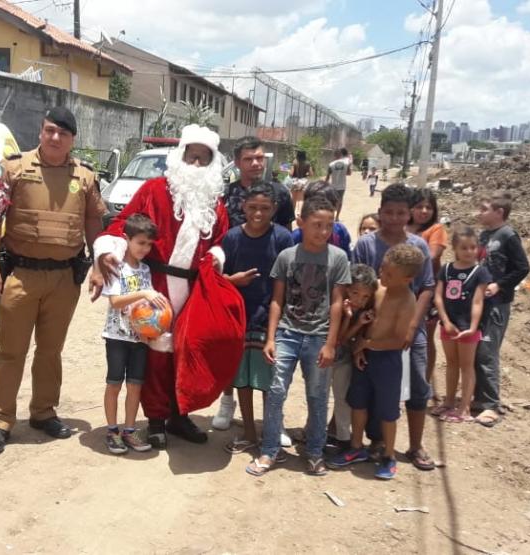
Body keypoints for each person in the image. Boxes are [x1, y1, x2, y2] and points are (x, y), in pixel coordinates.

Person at [95, 124, 230, 449]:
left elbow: (223, 239)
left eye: (203, 159)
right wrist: (104, 254)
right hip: (155, 284)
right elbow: (119, 224)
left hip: (195, 290)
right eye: (191, 156)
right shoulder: (153, 190)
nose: (196, 164)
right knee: (155, 356)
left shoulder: (216, 204)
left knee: (187, 353)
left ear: (212, 163)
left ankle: (180, 416)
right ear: (180, 156)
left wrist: (216, 255)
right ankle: (156, 420)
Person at [0, 107, 106, 455]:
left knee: (51, 352)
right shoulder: (14, 168)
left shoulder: (84, 176)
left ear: (73, 139)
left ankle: (43, 412)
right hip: (20, 275)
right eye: (50, 131)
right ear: (41, 131)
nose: (55, 138)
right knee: (11, 352)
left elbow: (94, 222)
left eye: (63, 134)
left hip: (64, 279)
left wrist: (97, 264)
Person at [245, 195, 350, 477]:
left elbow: (337, 303)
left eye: (329, 225)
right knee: (276, 392)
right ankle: (269, 451)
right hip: (287, 335)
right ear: (301, 223)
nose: (323, 231)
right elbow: (277, 300)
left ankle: (315, 453)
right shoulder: (287, 256)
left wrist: (331, 343)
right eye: (317, 225)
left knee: (317, 397)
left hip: (319, 337)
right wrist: (270, 338)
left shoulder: (338, 258)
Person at [352, 183, 436, 472]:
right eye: (389, 212)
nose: (395, 218)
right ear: (380, 212)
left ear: (409, 214)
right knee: (374, 385)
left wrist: (414, 325)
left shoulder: (418, 246)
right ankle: (376, 441)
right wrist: (361, 331)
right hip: (374, 329)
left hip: (409, 327)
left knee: (417, 384)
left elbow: (426, 286)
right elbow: (359, 285)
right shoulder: (366, 245)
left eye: (401, 213)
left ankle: (415, 445)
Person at [330, 244, 425, 480]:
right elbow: (367, 321)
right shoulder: (379, 290)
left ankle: (389, 455)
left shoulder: (407, 300)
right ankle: (356, 447)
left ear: (407, 278)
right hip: (365, 357)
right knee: (358, 402)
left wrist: (367, 345)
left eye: (389, 273)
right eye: (382, 267)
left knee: (388, 410)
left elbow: (399, 340)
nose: (382, 274)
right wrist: (359, 347)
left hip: (388, 360)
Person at [220, 182, 294, 454]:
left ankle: (273, 428)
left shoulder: (284, 237)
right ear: (243, 207)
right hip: (239, 317)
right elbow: (219, 279)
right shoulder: (232, 238)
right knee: (244, 377)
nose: (259, 213)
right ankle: (249, 431)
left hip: (271, 318)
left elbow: (288, 280)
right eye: (253, 207)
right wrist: (233, 281)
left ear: (274, 209)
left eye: (265, 208)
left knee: (270, 379)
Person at [100, 214, 164, 454]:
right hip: (117, 336)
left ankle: (129, 430)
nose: (145, 249)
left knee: (135, 385)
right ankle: (112, 430)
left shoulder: (146, 269)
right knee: (114, 383)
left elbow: (149, 306)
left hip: (140, 339)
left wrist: (155, 326)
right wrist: (145, 293)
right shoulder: (116, 266)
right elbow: (116, 301)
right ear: (126, 239)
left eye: (149, 244)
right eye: (140, 243)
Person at [473, 191, 530, 428]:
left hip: (497, 304)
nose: (480, 213)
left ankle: (490, 406)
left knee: (487, 352)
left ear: (499, 212)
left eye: (484, 209)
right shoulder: (485, 235)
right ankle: (477, 398)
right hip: (480, 301)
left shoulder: (508, 235)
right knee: (475, 350)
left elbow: (522, 268)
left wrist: (499, 285)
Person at [432, 226, 491, 423]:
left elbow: (477, 301)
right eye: (464, 248)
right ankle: (449, 401)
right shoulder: (446, 270)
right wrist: (446, 321)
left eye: (473, 247)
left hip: (468, 328)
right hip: (448, 325)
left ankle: (464, 407)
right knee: (451, 364)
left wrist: (473, 327)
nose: (469, 252)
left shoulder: (479, 272)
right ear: (455, 249)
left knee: (467, 366)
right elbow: (438, 297)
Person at [328, 264, 378, 450]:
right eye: (356, 293)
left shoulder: (362, 311)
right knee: (319, 396)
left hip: (344, 358)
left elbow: (347, 340)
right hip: (330, 355)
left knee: (342, 398)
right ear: (348, 288)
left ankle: (342, 437)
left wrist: (357, 323)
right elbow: (339, 339)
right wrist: (351, 319)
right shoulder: (337, 304)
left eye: (365, 296)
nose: (359, 300)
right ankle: (314, 432)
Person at [407, 189, 448, 402]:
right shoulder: (404, 226)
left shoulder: (436, 229)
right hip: (403, 290)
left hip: (426, 290)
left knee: (425, 338)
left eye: (428, 207)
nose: (424, 211)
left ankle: (425, 380)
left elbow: (433, 255)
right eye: (419, 206)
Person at [223, 136, 295, 230]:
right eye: (248, 159)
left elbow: (287, 232)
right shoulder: (226, 194)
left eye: (259, 158)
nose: (255, 163)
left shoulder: (280, 192)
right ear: (237, 163)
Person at [291, 181, 352, 258]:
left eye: (327, 206)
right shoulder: (296, 237)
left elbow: (347, 258)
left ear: (335, 208)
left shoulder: (340, 232)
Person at [325, 147, 352, 221]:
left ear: (334, 155)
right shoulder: (346, 163)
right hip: (342, 186)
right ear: (341, 155)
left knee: (332, 202)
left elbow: (327, 177)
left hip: (333, 186)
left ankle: (332, 216)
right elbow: (349, 173)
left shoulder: (331, 164)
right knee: (340, 202)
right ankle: (337, 217)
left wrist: (324, 185)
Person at [289, 150, 314, 215]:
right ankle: (299, 213)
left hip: (295, 181)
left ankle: (292, 213)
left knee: (294, 199)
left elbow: (291, 174)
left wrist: (288, 172)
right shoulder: (307, 163)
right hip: (303, 181)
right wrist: (307, 174)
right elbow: (311, 174)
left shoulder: (295, 162)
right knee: (301, 199)